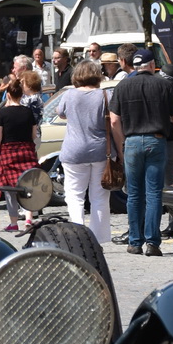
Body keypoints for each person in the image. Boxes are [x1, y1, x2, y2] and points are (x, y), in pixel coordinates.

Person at [109, 46, 173, 256]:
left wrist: (122, 144)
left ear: (134, 65)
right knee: (153, 194)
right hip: (156, 141)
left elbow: (114, 120)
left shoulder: (123, 86)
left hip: (132, 141)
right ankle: (152, 243)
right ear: (152, 65)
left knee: (134, 195)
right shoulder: (163, 85)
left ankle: (134, 241)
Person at [52, 59, 112, 244]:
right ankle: (99, 238)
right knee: (99, 196)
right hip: (100, 150)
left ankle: (78, 235)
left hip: (74, 151)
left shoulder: (69, 95)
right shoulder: (105, 95)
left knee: (74, 194)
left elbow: (60, 113)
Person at [0, 77, 39, 235]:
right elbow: (33, 135)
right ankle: (28, 220)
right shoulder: (28, 112)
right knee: (27, 185)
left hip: (8, 152)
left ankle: (13, 223)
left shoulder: (3, 112)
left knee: (10, 189)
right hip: (26, 150)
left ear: (8, 95)